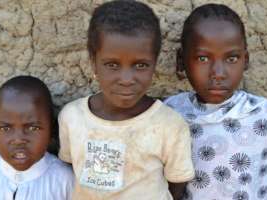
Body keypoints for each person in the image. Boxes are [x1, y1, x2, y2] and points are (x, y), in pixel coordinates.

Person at [58, 1, 194, 199]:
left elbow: (177, 183)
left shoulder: (170, 125)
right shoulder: (72, 117)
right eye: (112, 64)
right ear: (93, 63)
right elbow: (71, 166)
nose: (126, 80)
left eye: (140, 65)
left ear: (154, 64)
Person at [164, 3, 267, 200]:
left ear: (246, 60)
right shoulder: (169, 114)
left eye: (231, 59)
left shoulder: (263, 116)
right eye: (203, 58)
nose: (218, 73)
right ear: (181, 61)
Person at [0, 76, 74, 200]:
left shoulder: (65, 180)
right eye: (5, 128)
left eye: (33, 128)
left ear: (52, 130)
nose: (18, 140)